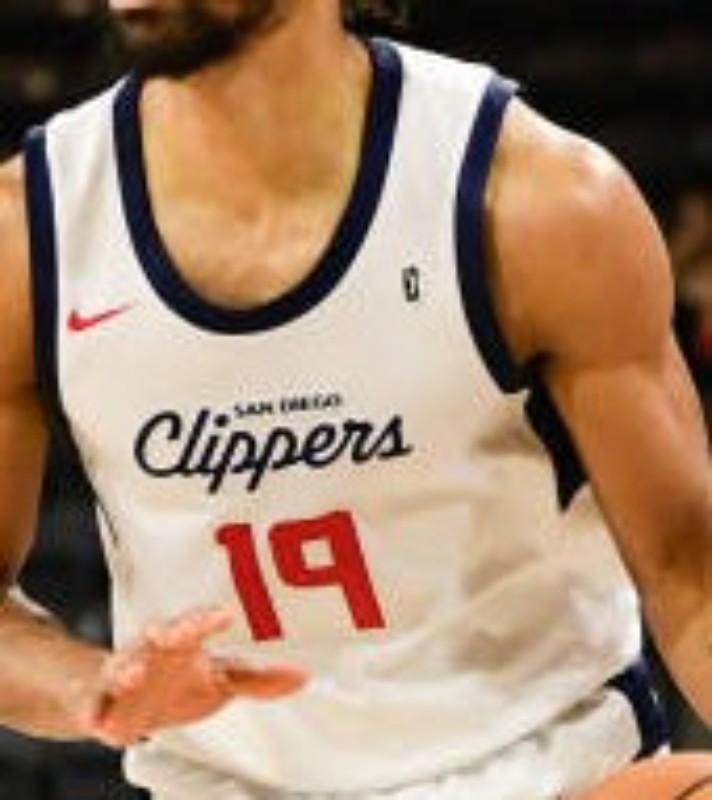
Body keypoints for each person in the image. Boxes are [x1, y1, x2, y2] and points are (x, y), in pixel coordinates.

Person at [0, 0, 710, 798]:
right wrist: (89, 686)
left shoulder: (539, 201)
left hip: (544, 772)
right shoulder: (26, 231)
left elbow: (691, 571)